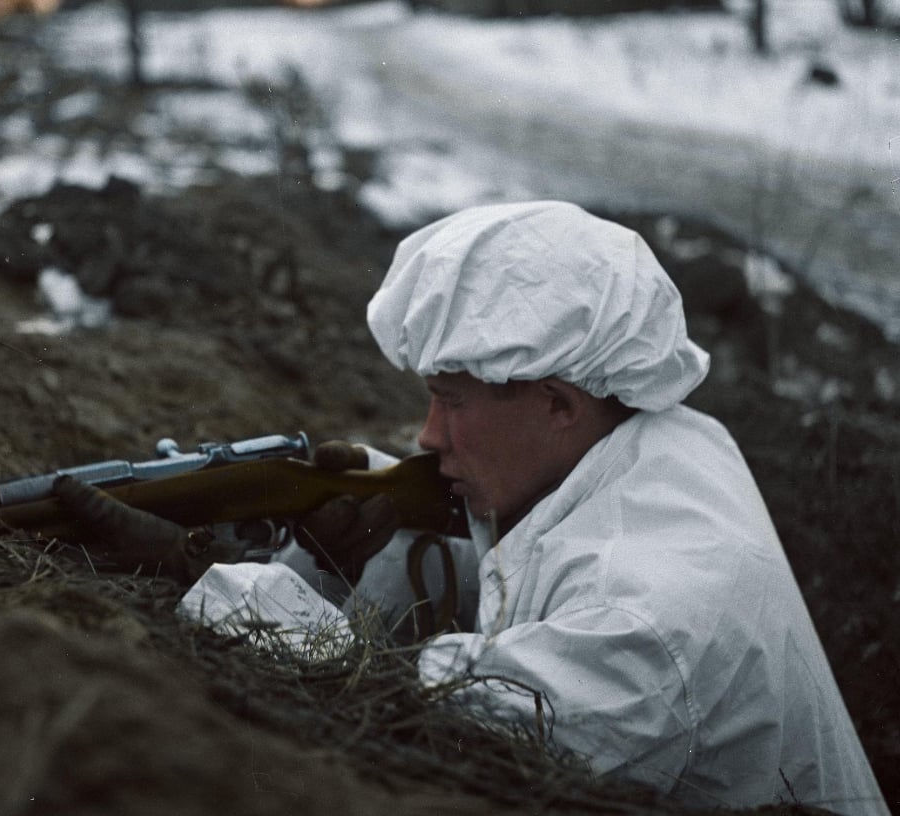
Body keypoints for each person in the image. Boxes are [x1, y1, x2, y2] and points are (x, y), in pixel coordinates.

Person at [61, 200, 888, 816]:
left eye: (448, 400)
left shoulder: (649, 623)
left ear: (559, 402)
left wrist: (194, 574)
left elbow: (416, 710)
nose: (426, 435)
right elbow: (540, 567)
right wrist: (369, 530)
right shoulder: (663, 438)